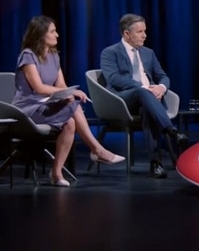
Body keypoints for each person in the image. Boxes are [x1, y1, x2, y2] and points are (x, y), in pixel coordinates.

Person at [12, 16, 125, 187]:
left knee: (70, 123)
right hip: (27, 109)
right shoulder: (28, 55)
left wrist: (67, 94)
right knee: (73, 105)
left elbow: (61, 85)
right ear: (41, 34)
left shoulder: (54, 56)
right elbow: (39, 88)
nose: (57, 35)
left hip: (45, 105)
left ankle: (56, 173)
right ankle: (97, 150)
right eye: (52, 31)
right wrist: (70, 94)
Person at [100, 13, 187, 179]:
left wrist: (161, 87)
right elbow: (114, 79)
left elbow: (163, 76)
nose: (145, 35)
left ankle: (156, 163)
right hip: (123, 99)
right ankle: (171, 131)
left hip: (149, 100)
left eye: (144, 31)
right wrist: (144, 87)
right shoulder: (110, 52)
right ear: (127, 34)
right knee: (142, 92)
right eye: (140, 32)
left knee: (147, 111)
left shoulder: (148, 53)